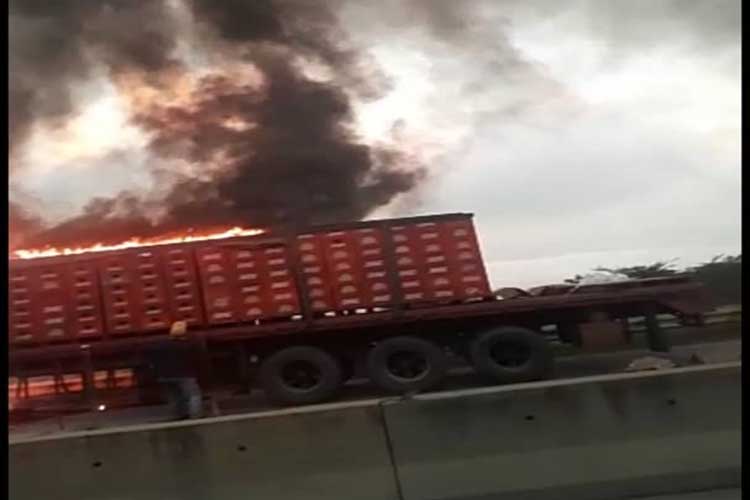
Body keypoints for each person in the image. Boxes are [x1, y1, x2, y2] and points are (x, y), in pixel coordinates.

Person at [145, 321, 203, 420]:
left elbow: (152, 358)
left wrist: (157, 372)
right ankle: (195, 417)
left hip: (165, 376)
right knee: (193, 395)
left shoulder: (161, 345)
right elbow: (198, 359)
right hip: (185, 375)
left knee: (174, 397)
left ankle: (179, 416)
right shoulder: (190, 345)